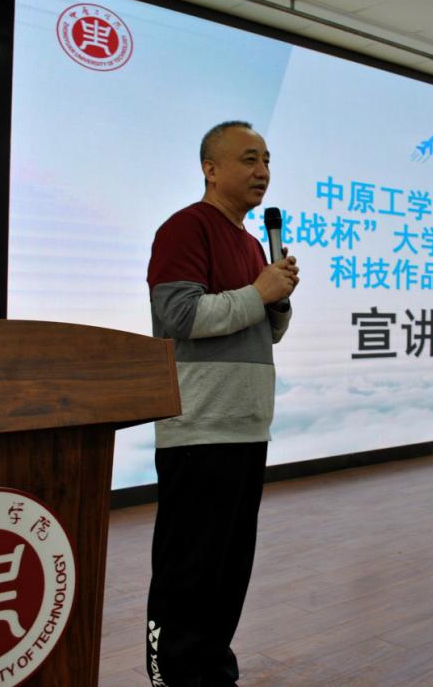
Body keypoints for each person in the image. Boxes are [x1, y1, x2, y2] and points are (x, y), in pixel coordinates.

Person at [145, 120, 299, 687]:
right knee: (189, 570)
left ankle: (212, 674)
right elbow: (178, 316)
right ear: (210, 168)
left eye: (267, 160)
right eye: (248, 159)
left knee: (228, 571)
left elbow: (266, 332)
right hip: (200, 427)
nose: (262, 171)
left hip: (246, 426)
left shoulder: (255, 244)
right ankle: (174, 676)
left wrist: (276, 299)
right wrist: (260, 292)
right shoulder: (186, 228)